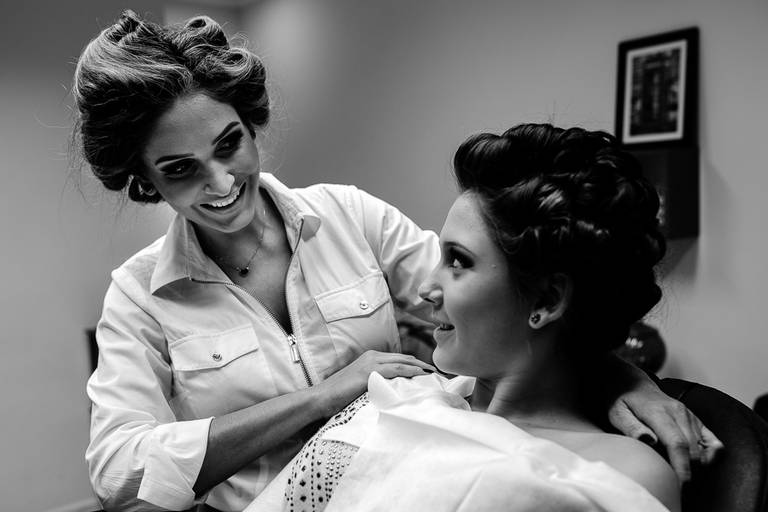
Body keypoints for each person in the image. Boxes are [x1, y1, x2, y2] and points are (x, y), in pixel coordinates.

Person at [73, 11, 719, 512]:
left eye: (229, 144)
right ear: (146, 181)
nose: (220, 183)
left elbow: (523, 297)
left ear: (249, 122)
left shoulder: (351, 219)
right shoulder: (139, 298)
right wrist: (323, 398)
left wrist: (626, 376)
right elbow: (120, 468)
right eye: (182, 170)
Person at [250, 124, 684, 512]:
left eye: (457, 261)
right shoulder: (392, 400)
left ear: (546, 301)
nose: (425, 289)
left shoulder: (621, 474)